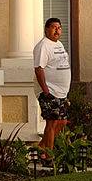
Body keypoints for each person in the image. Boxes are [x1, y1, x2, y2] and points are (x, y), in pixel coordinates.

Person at [33, 17, 71, 153]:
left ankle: (41, 147)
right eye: (54, 27)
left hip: (61, 92)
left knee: (62, 122)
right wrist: (46, 91)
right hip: (50, 91)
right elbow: (39, 69)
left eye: (59, 28)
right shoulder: (43, 46)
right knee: (52, 122)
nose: (57, 30)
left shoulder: (59, 44)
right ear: (46, 29)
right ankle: (49, 155)